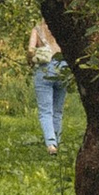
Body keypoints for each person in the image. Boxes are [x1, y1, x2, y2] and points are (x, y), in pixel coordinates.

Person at [28, 14, 69, 155]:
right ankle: (57, 141)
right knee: (58, 110)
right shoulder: (61, 29)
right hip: (62, 68)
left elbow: (30, 50)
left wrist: (31, 59)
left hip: (44, 69)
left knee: (45, 110)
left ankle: (51, 144)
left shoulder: (37, 29)